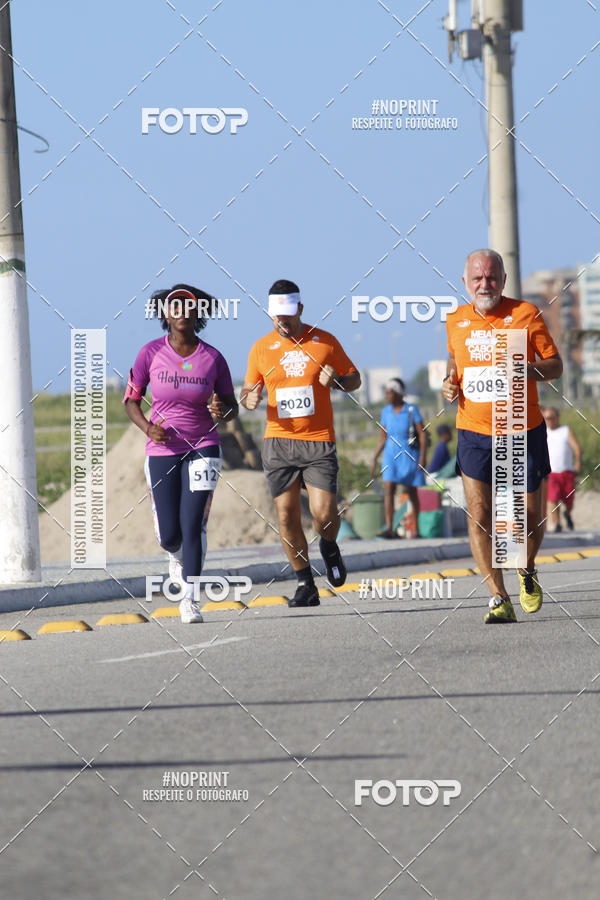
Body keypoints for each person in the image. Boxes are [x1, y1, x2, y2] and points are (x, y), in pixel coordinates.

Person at [442, 249, 562, 623]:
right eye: (477, 278)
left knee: (529, 516)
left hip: (522, 430)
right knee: (479, 514)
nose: (485, 284)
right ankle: (498, 597)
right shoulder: (455, 320)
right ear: (465, 282)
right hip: (473, 432)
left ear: (503, 280)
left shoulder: (526, 313)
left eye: (492, 277)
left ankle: (526, 568)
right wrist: (449, 382)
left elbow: (555, 365)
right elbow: (454, 360)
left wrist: (526, 370)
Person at [241, 279, 361, 607]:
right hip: (278, 442)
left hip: (318, 441)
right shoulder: (260, 348)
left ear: (300, 309)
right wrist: (248, 398)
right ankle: (305, 583)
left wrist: (337, 380)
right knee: (286, 516)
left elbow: (355, 379)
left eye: (288, 314)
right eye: (276, 315)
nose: (282, 321)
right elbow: (249, 389)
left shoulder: (324, 341)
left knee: (324, 514)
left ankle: (329, 545)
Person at [123, 284, 238, 624]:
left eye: (188, 307)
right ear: (165, 314)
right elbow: (131, 401)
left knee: (193, 524)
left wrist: (223, 410)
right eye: (175, 307)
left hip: (204, 446)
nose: (182, 313)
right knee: (169, 534)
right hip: (162, 448)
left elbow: (231, 407)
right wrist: (148, 428)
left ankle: (190, 599)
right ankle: (176, 555)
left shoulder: (213, 358)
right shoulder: (149, 353)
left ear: (197, 313)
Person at [370, 378, 427, 538]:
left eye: (390, 392)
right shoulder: (385, 412)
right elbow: (383, 437)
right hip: (390, 455)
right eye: (386, 393)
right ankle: (390, 528)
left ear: (398, 393)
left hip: (409, 454)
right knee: (389, 489)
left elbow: (422, 433)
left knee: (411, 491)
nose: (387, 396)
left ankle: (416, 529)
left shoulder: (411, 409)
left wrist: (423, 457)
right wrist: (374, 458)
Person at [543, 407, 581, 532]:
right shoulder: (544, 432)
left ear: (556, 418)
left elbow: (576, 447)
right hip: (551, 472)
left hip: (567, 471)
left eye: (550, 418)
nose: (548, 421)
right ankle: (557, 523)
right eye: (546, 418)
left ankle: (567, 513)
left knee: (569, 500)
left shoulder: (565, 431)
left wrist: (578, 461)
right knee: (553, 498)